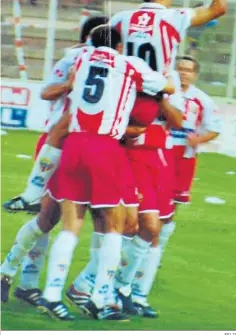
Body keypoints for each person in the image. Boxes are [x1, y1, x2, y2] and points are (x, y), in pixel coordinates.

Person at [71, 0, 227, 318]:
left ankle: (117, 288)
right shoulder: (172, 18)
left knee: (142, 224)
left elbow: (103, 49)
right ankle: (93, 286)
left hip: (137, 115)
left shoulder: (122, 19)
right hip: (150, 113)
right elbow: (218, 9)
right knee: (128, 222)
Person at [35, 24, 175, 321]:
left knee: (70, 226)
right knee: (114, 225)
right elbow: (168, 87)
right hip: (104, 147)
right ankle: (100, 298)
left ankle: (51, 295)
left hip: (74, 144)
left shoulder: (80, 58)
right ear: (121, 46)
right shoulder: (128, 65)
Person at [0, 16, 109, 307]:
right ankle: (24, 280)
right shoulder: (73, 58)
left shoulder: (116, 64)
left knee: (54, 219)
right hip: (59, 144)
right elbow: (47, 91)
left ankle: (16, 276)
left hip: (89, 148)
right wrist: (70, 85)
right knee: (47, 217)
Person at [172, 56, 222, 205]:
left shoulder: (203, 100)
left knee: (175, 203)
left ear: (195, 75)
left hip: (184, 155)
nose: (183, 73)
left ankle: (165, 228)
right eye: (180, 69)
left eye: (188, 70)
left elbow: (216, 129)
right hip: (160, 150)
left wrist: (198, 140)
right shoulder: (165, 93)